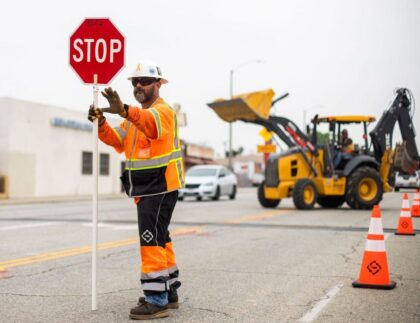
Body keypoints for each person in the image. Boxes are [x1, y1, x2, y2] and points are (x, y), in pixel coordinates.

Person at [88, 61, 185, 320]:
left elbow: (150, 124)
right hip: (148, 187)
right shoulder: (134, 117)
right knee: (160, 237)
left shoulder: (162, 111)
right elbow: (118, 141)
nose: (138, 86)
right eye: (134, 82)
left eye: (144, 81)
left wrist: (124, 110)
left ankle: (156, 301)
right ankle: (169, 291)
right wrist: (101, 124)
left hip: (159, 187)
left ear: (158, 84)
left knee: (150, 238)